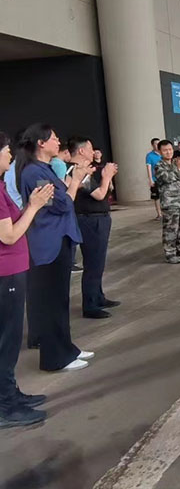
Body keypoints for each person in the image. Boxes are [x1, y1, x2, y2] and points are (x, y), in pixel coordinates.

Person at [16, 123, 94, 372]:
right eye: (54, 138)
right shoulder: (32, 172)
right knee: (51, 303)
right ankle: (54, 358)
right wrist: (76, 182)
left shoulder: (44, 169)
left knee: (59, 300)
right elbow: (60, 205)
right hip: (48, 243)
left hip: (59, 239)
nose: (58, 141)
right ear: (41, 143)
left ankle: (66, 349)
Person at [0, 131, 54, 427]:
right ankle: (6, 407)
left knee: (8, 340)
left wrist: (30, 205)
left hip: (11, 271)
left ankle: (10, 394)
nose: (10, 155)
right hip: (4, 273)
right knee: (6, 343)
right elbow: (8, 235)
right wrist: (32, 208)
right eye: (6, 150)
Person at [68, 137, 121, 320]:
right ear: (81, 151)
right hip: (89, 220)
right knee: (93, 263)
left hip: (98, 218)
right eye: (90, 149)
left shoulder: (86, 171)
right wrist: (107, 176)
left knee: (98, 262)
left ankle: (98, 296)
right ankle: (90, 305)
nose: (94, 152)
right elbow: (99, 194)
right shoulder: (76, 170)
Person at [146, 138, 162, 221]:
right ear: (152, 145)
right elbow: (148, 167)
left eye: (159, 143)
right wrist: (150, 179)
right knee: (157, 197)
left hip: (164, 178)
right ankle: (159, 214)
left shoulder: (163, 153)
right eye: (156, 143)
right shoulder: (149, 155)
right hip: (156, 179)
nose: (157, 145)